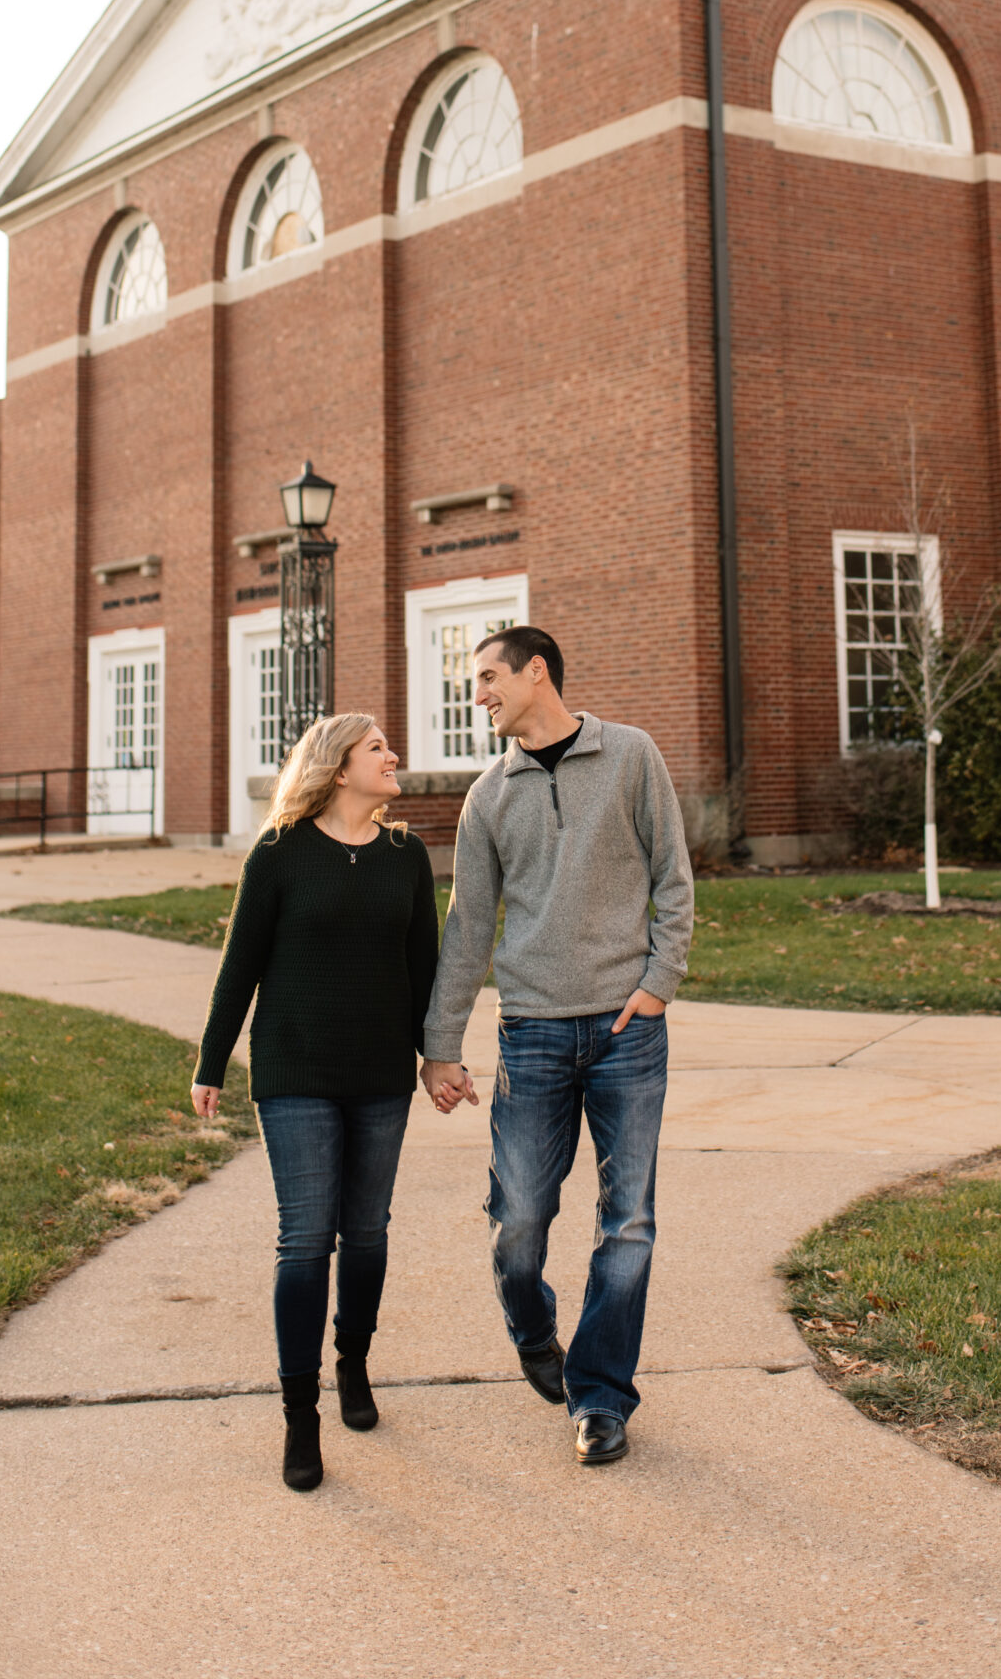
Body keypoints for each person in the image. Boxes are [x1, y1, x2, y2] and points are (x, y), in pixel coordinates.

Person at [421, 625, 693, 1466]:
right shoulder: (488, 796)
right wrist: (440, 1044)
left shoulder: (632, 756)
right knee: (520, 1219)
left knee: (630, 1220)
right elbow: (468, 929)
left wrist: (657, 984)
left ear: (537, 673)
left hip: (626, 1031)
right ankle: (533, 1328)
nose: (481, 696)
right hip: (532, 1032)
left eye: (489, 677)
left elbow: (672, 879)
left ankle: (601, 1397)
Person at [191, 712, 438, 1493]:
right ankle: (302, 1416)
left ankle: (354, 1364)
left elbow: (425, 970)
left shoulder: (407, 856)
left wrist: (440, 1058)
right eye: (377, 749)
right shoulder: (278, 854)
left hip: (379, 1074)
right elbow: (241, 965)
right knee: (305, 1241)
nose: (393, 757)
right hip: (295, 1070)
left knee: (365, 1231)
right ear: (338, 769)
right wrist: (210, 1062)